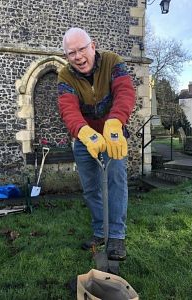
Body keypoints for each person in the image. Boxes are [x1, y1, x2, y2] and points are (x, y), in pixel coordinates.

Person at [57, 27, 135, 260]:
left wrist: (115, 122)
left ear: (93, 46)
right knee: (91, 188)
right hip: (85, 138)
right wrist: (83, 131)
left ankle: (117, 237)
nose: (78, 57)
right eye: (72, 53)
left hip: (113, 134)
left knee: (116, 181)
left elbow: (125, 92)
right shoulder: (65, 76)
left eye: (82, 49)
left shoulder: (113, 62)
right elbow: (68, 108)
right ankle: (101, 232)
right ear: (66, 57)